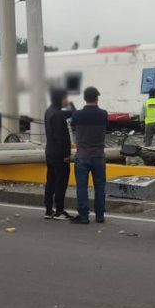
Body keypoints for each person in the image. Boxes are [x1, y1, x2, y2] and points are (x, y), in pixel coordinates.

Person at [70, 86, 108, 224]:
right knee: (100, 186)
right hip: (98, 155)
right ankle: (100, 215)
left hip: (82, 155)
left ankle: (84, 215)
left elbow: (73, 128)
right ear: (97, 98)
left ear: (85, 98)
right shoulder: (103, 114)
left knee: (82, 187)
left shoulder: (77, 115)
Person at [43, 88, 73, 220]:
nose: (67, 101)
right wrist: (66, 154)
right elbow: (61, 137)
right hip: (59, 155)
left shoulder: (50, 111)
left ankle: (48, 210)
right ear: (59, 99)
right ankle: (59, 210)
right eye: (65, 98)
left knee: (50, 182)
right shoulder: (58, 115)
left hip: (50, 152)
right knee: (61, 183)